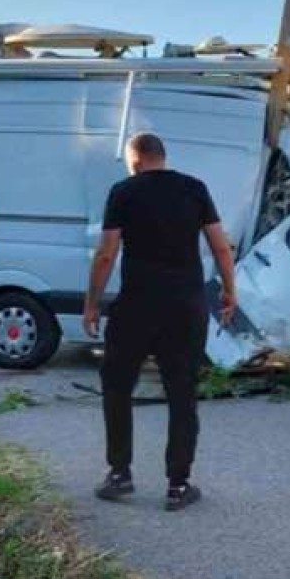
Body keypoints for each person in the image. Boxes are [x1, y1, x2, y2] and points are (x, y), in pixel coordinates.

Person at [84, 132, 237, 512]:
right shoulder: (194, 189)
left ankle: (119, 473)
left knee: (117, 386)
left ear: (134, 159)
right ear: (162, 156)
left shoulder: (123, 191)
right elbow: (220, 246)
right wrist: (229, 291)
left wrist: (91, 304)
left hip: (136, 306)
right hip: (185, 307)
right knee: (182, 393)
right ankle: (178, 486)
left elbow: (106, 254)